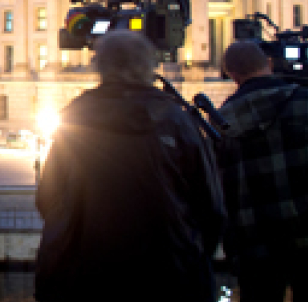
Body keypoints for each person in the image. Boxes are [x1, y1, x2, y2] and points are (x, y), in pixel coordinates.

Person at [34, 31, 224, 302]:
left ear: (100, 66)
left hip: (87, 272)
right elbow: (211, 205)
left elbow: (48, 198)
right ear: (149, 66)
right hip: (170, 271)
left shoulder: (75, 119)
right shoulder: (176, 120)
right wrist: (193, 252)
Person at [217, 41, 308, 300]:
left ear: (231, 74)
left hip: (255, 249)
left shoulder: (221, 123)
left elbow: (218, 193)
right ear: (268, 64)